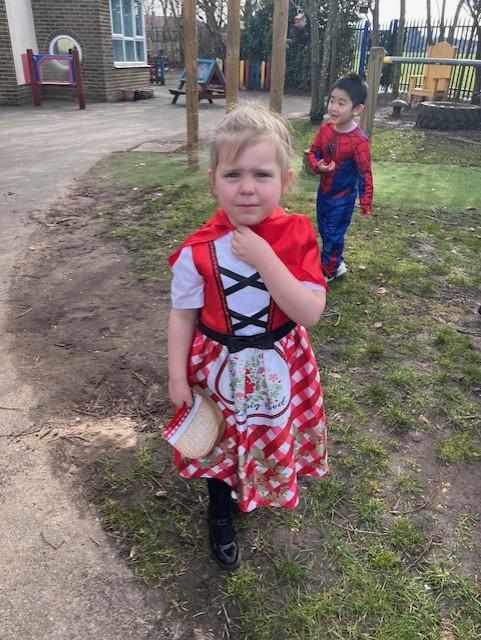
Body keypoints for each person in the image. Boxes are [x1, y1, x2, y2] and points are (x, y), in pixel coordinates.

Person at [167, 104, 329, 571]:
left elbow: (310, 312)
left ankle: (254, 487)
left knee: (263, 434)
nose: (247, 187)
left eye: (261, 174)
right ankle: (220, 510)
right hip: (218, 367)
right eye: (233, 174)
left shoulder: (297, 236)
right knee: (219, 439)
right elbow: (182, 316)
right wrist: (176, 377)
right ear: (213, 182)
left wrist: (265, 258)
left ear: (285, 181)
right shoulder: (197, 250)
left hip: (278, 364)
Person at [307, 73, 373, 282]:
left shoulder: (359, 141)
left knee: (333, 232)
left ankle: (328, 270)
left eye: (341, 103)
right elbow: (313, 152)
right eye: (332, 101)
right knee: (324, 229)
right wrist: (318, 165)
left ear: (357, 109)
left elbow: (365, 173)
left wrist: (365, 201)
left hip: (343, 198)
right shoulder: (325, 129)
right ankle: (337, 262)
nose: (334, 107)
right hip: (324, 193)